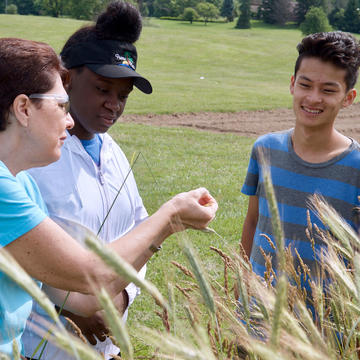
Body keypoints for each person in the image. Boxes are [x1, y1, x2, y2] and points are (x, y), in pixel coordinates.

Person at [0, 37, 217, 359]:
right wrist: (170, 217)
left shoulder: (22, 185)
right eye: (61, 106)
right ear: (23, 108)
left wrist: (121, 294)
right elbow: (90, 274)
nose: (69, 119)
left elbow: (84, 297)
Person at [21, 2, 151, 359]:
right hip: (41, 349)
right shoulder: (31, 158)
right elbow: (15, 254)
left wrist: (123, 296)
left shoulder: (115, 153)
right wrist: (73, 307)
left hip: (106, 351)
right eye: (102, 89)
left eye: (123, 96)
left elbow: (141, 235)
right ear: (66, 78)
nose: (114, 105)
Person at [241, 31, 360, 297]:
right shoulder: (264, 149)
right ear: (293, 84)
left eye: (328, 90)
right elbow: (252, 221)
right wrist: (241, 286)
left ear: (348, 98)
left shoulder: (357, 167)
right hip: (259, 316)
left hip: (328, 329)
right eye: (306, 85)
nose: (314, 98)